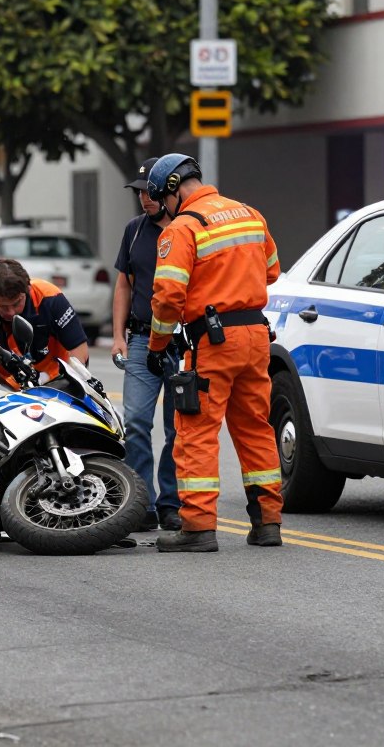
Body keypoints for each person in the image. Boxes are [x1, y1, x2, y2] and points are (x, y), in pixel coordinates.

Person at [144, 153, 284, 552]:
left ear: (172, 190)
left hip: (213, 341)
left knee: (196, 432)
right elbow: (272, 271)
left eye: (162, 200)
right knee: (256, 427)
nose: (165, 209)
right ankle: (268, 523)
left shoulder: (183, 228)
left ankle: (198, 528)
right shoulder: (250, 215)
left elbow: (168, 297)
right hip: (256, 336)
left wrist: (157, 345)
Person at [111, 157, 181, 533]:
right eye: (139, 193)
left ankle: (170, 504)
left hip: (181, 342)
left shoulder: (188, 229)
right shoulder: (134, 230)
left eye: (149, 192)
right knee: (136, 420)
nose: (144, 199)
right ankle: (142, 504)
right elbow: (124, 284)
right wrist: (117, 335)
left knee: (177, 427)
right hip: (141, 338)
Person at [0, 258, 89, 389]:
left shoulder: (50, 297)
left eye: (16, 303)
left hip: (58, 379)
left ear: (28, 289)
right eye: (3, 306)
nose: (11, 312)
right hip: (14, 384)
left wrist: (72, 383)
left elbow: (80, 352)